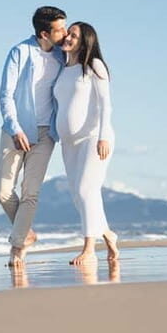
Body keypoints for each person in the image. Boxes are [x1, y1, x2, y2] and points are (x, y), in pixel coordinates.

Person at [0, 6, 67, 267]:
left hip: (46, 131)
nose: (65, 33)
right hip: (16, 129)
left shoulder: (63, 56)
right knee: (2, 191)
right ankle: (27, 234)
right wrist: (15, 128)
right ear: (44, 33)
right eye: (60, 29)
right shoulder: (20, 52)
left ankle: (17, 248)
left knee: (30, 192)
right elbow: (6, 94)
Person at [53, 21, 119, 265]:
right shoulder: (63, 69)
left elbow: (105, 104)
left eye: (74, 35)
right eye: (68, 33)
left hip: (95, 138)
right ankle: (108, 236)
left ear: (85, 41)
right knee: (78, 196)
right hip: (69, 143)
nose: (68, 38)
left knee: (86, 190)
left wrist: (103, 135)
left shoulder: (94, 65)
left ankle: (89, 249)